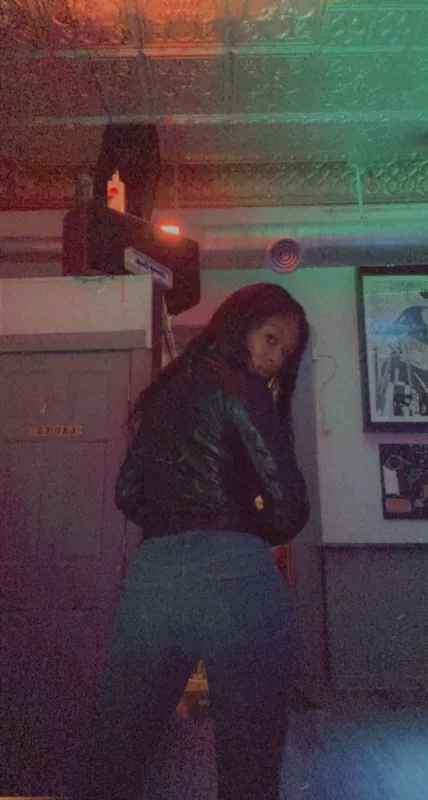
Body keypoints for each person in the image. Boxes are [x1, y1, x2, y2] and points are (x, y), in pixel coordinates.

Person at [73, 282, 310, 800]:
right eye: (271, 339)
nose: (276, 359)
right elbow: (291, 507)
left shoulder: (164, 393)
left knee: (114, 760)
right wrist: (240, 525)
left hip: (153, 575)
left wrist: (175, 520)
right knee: (249, 767)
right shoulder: (245, 389)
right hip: (234, 574)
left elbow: (127, 493)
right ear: (239, 326)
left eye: (286, 352)